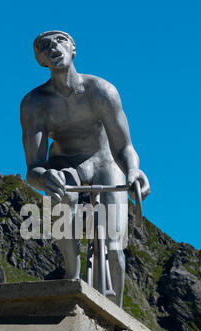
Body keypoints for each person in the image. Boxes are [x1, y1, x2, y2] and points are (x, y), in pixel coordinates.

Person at [20, 30, 150, 307]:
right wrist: (45, 179)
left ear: (73, 48)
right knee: (61, 193)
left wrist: (134, 171)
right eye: (44, 46)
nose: (53, 47)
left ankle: (115, 313)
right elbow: (33, 168)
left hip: (104, 161)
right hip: (65, 163)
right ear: (41, 60)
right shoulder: (34, 104)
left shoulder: (101, 91)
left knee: (114, 248)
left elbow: (124, 146)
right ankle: (72, 274)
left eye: (60, 40)